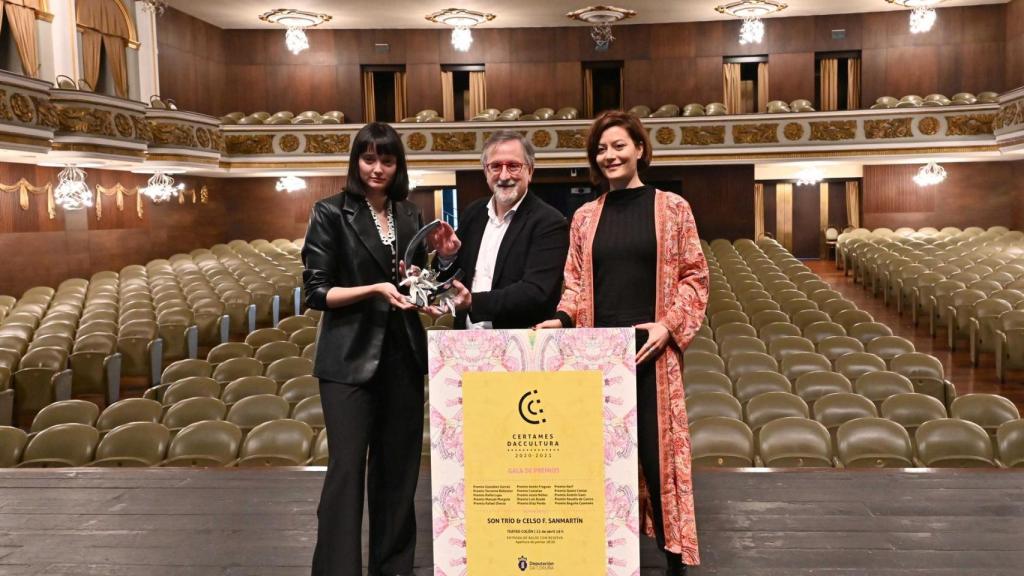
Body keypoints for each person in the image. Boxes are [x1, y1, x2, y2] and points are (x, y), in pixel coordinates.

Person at [536, 110, 709, 574]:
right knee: (602, 464)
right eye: (601, 149)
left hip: (650, 351)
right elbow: (574, 284)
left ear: (639, 150)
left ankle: (673, 561)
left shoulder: (673, 207)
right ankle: (608, 557)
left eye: (618, 145)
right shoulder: (584, 217)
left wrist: (668, 325)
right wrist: (561, 319)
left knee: (657, 461)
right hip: (598, 356)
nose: (609, 155)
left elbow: (695, 276)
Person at [301, 122, 427, 576]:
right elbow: (316, 292)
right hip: (348, 359)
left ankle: (393, 568)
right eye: (369, 158)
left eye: (387, 160)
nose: (377, 168)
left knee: (398, 475)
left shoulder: (411, 214)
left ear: (398, 165)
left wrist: (441, 267)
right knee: (347, 472)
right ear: (356, 161)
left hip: (404, 356)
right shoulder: (330, 212)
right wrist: (373, 289)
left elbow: (418, 282)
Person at [428, 130, 569, 329]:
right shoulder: (474, 213)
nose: (504, 175)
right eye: (495, 166)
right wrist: (446, 258)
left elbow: (536, 292)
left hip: (521, 345)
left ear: (530, 171)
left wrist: (473, 303)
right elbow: (446, 281)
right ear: (485, 172)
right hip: (467, 343)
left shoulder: (549, 222)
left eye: (513, 166)